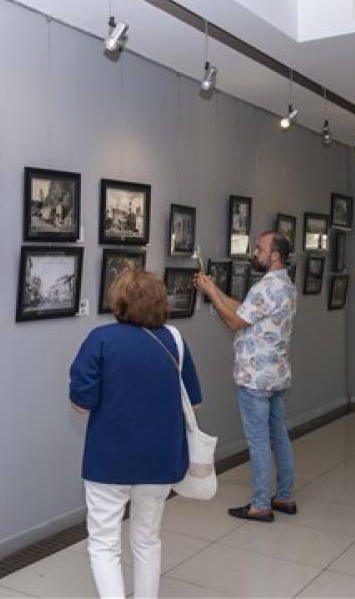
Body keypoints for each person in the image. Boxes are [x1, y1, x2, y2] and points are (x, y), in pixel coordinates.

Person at [69, 270, 203, 598]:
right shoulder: (174, 341)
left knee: (104, 544)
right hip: (159, 461)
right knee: (147, 540)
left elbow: (80, 406)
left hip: (108, 462)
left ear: (119, 301)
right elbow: (194, 405)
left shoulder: (100, 340)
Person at [195, 230, 298, 523]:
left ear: (274, 254)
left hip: (255, 379)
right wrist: (212, 288)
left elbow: (234, 321)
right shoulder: (287, 286)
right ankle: (285, 496)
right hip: (276, 376)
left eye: (259, 248)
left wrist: (211, 293)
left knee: (259, 441)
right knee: (279, 436)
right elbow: (244, 310)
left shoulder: (265, 287)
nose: (254, 252)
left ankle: (261, 504)